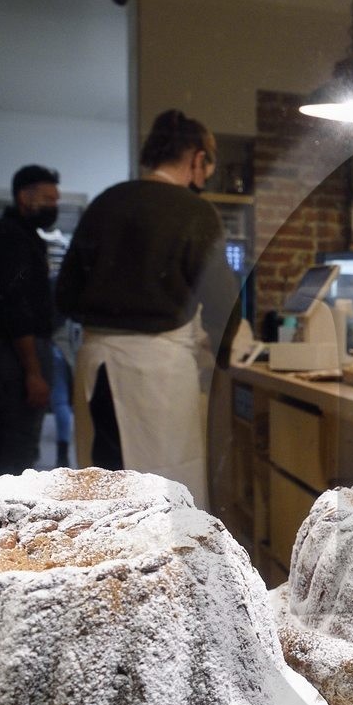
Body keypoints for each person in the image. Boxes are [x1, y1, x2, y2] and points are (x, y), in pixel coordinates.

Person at [56, 109, 235, 507]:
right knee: (165, 491)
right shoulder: (195, 212)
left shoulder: (106, 203)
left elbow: (65, 294)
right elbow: (222, 299)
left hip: (97, 368)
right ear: (196, 158)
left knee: (105, 488)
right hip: (160, 373)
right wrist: (224, 357)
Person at [0, 164, 60, 476]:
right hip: (18, 353)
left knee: (21, 439)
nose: (53, 206)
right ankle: (10, 505)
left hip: (22, 350)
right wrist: (33, 372)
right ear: (24, 197)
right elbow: (16, 307)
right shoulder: (11, 238)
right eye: (48, 199)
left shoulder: (25, 236)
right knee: (18, 442)